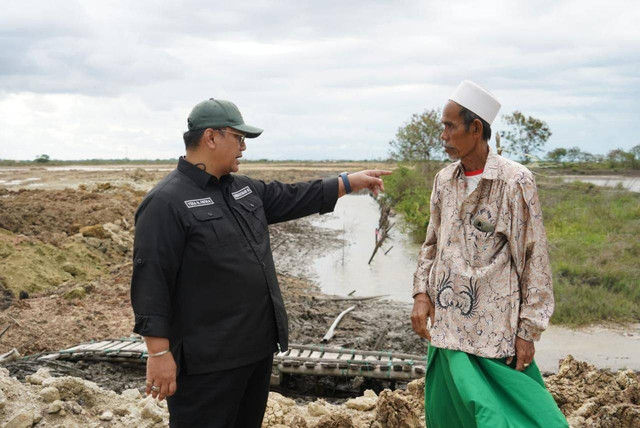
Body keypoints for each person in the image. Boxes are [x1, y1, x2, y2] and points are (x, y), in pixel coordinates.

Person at [130, 98, 390, 427]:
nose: (243, 147)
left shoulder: (243, 189)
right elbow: (151, 281)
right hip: (207, 363)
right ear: (211, 138)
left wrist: (350, 181)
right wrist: (158, 353)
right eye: (238, 138)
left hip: (255, 352)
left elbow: (295, 195)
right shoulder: (166, 202)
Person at [410, 81, 568, 427]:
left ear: (476, 128)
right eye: (443, 126)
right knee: (449, 416)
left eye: (450, 126)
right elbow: (431, 244)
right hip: (448, 329)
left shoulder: (515, 182)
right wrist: (421, 294)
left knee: (503, 419)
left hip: (494, 335)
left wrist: (528, 331)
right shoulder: (443, 180)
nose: (443, 135)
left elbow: (534, 259)